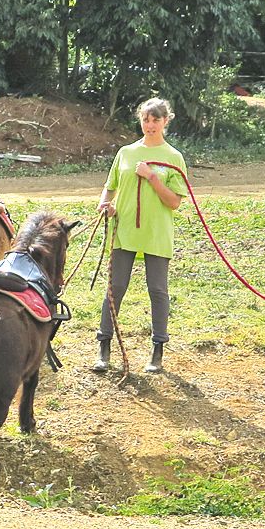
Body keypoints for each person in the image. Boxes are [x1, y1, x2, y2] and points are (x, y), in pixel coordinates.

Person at [95, 97, 187, 373]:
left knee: (158, 290)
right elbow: (109, 187)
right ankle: (104, 347)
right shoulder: (125, 153)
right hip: (123, 230)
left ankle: (157, 350)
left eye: (155, 119)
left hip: (156, 233)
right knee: (115, 289)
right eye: (146, 119)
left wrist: (152, 177)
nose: (149, 125)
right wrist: (104, 204)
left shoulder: (173, 157)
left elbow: (174, 202)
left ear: (165, 121)